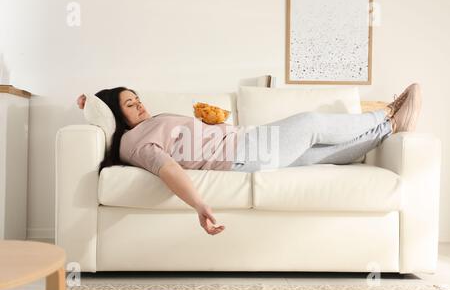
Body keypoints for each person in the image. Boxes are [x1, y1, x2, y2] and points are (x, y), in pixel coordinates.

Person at [77, 83, 422, 236]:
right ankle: (386, 116)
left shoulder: (146, 127)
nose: (140, 105)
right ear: (114, 114)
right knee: (310, 124)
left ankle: (388, 130)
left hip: (242, 144)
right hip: (243, 150)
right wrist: (200, 206)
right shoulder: (135, 144)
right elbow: (168, 170)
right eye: (129, 104)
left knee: (322, 153)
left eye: (138, 99)